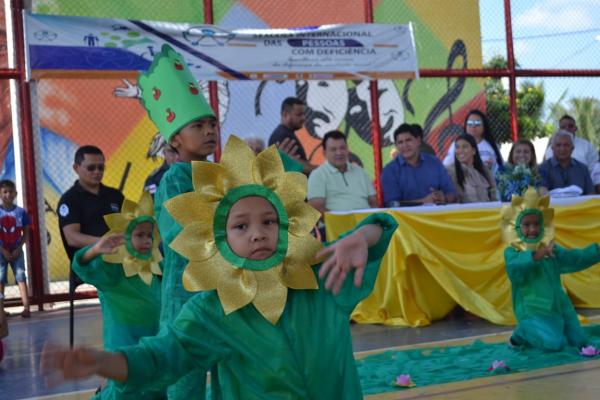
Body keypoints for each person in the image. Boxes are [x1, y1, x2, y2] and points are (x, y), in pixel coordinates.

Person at [41, 135, 398, 399]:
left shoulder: (320, 281)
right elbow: (161, 358)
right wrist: (101, 362)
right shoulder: (213, 310)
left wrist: (362, 235)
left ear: (287, 226)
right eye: (241, 226)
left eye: (269, 222)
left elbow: (383, 228)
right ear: (218, 237)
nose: (258, 235)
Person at [137, 44, 218, 399]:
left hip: (219, 286)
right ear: (175, 140)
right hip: (186, 291)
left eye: (211, 123)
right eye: (197, 125)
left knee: (228, 362)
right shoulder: (175, 179)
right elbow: (179, 233)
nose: (209, 131)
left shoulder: (218, 174)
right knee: (185, 369)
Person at [71, 192, 164, 399]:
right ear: (124, 238)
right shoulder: (112, 271)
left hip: (152, 341)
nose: (147, 241)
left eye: (150, 235)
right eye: (139, 235)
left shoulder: (156, 268)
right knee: (126, 389)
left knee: (155, 385)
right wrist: (95, 250)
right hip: (123, 342)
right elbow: (82, 266)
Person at [501, 187, 600, 351]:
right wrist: (536, 255)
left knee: (580, 341)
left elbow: (574, 259)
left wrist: (596, 252)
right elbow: (514, 268)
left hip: (560, 305)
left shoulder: (549, 247)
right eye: (526, 225)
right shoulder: (512, 252)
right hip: (534, 309)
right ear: (517, 226)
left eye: (536, 224)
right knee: (554, 345)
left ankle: (551, 328)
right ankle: (522, 331)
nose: (532, 229)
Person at [57, 146, 124, 262]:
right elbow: (72, 238)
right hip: (87, 269)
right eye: (91, 168)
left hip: (117, 266)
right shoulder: (69, 199)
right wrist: (105, 242)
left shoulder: (115, 195)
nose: (97, 172)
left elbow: (128, 225)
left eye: (101, 167)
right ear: (76, 168)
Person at [381, 124, 456, 207]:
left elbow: (452, 193)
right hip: (405, 219)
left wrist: (444, 198)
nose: (405, 145)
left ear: (418, 141)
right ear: (396, 146)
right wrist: (424, 202)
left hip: (437, 217)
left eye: (408, 140)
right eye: (400, 142)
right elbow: (392, 205)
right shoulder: (390, 171)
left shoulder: (434, 162)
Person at [307, 130, 377, 215]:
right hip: (336, 225)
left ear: (348, 149)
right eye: (333, 149)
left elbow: (373, 201)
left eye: (342, 148)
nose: (339, 152)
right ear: (324, 153)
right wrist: (339, 221)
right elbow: (316, 206)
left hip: (366, 222)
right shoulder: (318, 175)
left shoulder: (360, 172)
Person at [0, 179, 32, 317]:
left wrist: (19, 248)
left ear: (16, 193)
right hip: (1, 252)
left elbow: (26, 232)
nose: (8, 194)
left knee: (20, 276)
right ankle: (1, 310)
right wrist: (3, 251)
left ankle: (26, 307)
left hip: (17, 251)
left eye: (11, 191)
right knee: (0, 278)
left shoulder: (21, 212)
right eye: (5, 192)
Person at [268, 97, 316, 174]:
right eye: (299, 114)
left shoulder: (285, 133)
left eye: (303, 114)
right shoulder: (283, 136)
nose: (303, 118)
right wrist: (321, 171)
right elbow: (295, 164)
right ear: (285, 114)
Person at [539, 130, 594, 195]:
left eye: (566, 145)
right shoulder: (543, 168)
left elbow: (591, 194)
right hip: (554, 205)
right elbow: (542, 192)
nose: (562, 148)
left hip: (580, 205)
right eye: (558, 145)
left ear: (572, 148)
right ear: (552, 148)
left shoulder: (583, 169)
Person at [445, 134, 496, 203]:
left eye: (465, 147)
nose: (460, 150)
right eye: (457, 147)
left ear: (473, 151)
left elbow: (493, 194)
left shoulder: (484, 170)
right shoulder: (449, 171)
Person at [143, 133, 179, 198]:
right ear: (164, 152)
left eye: (180, 150)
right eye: (171, 151)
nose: (177, 156)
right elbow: (150, 205)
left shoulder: (196, 170)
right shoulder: (154, 180)